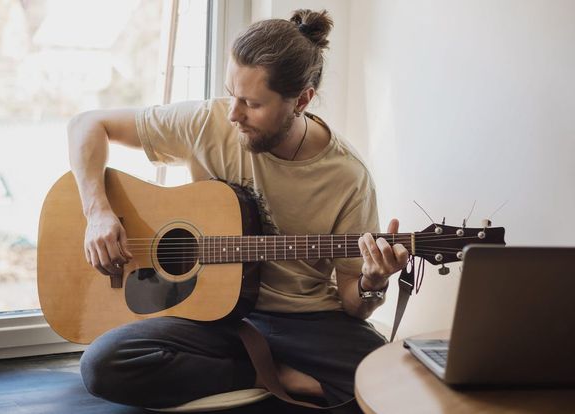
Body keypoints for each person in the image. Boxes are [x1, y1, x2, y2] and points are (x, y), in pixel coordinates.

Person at [67, 9, 409, 411]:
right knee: (103, 364)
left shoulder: (347, 178)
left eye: (252, 103)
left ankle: (254, 372)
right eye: (232, 94)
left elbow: (354, 301)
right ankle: (273, 376)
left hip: (302, 321)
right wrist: (98, 212)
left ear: (301, 100)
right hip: (208, 314)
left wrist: (371, 284)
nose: (233, 114)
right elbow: (87, 124)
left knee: (390, 385)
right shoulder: (208, 122)